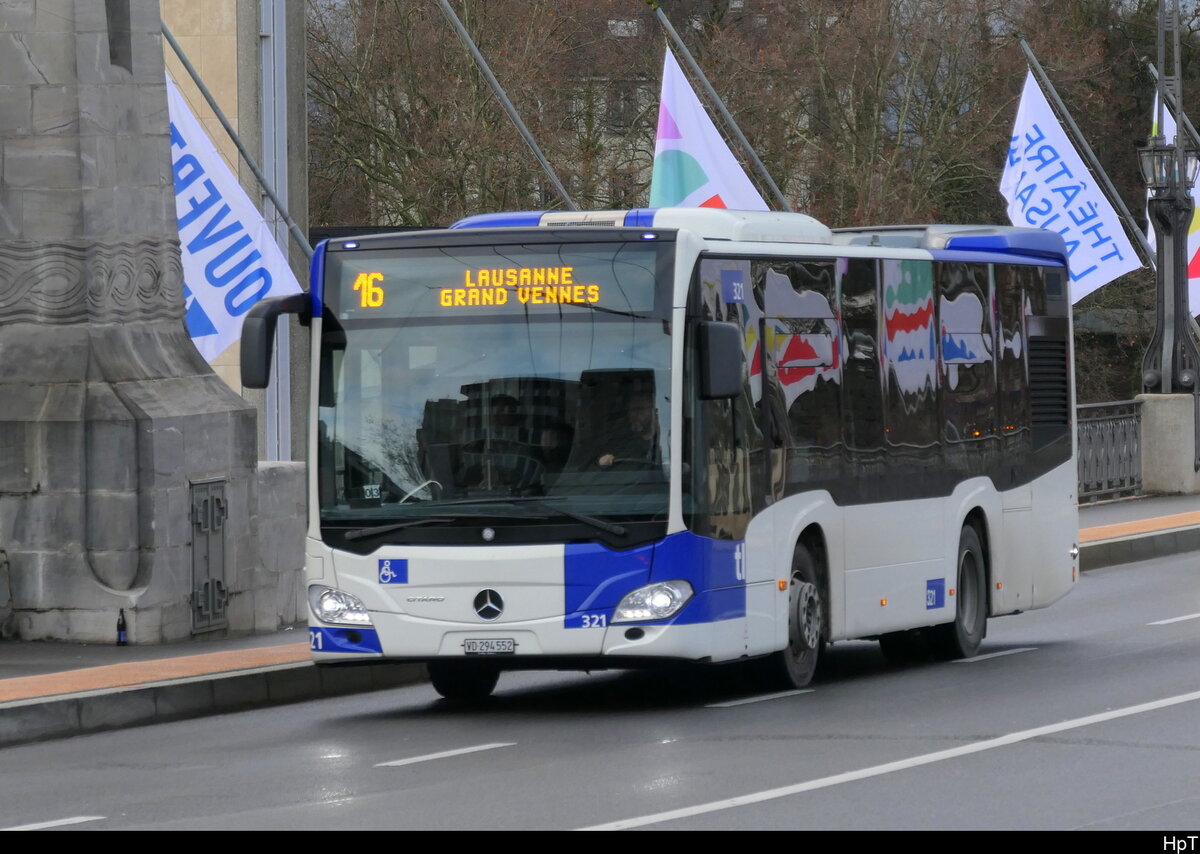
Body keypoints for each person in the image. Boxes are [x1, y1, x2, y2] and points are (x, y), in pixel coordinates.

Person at [594, 392, 658, 469]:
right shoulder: (620, 444)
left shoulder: (666, 441)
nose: (634, 414)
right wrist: (602, 462)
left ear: (653, 411)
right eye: (631, 410)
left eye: (640, 409)